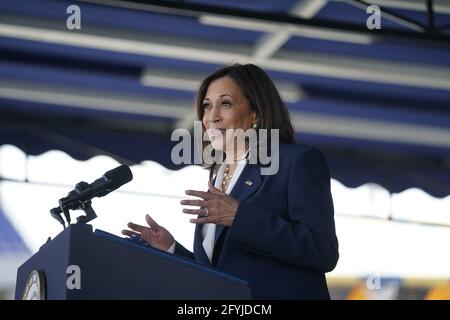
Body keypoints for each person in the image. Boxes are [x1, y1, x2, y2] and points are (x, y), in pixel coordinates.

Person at [122, 64, 339, 299]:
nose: (212, 116)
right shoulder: (218, 176)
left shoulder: (296, 161)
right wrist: (170, 249)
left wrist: (240, 217)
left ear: (255, 113)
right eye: (207, 106)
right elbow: (221, 272)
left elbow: (322, 251)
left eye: (225, 103)